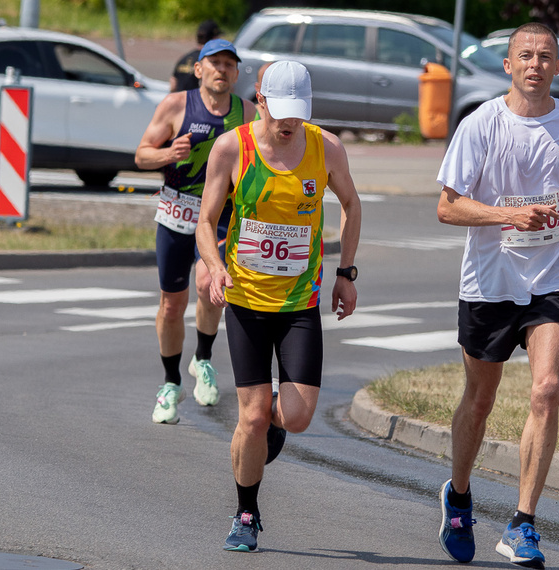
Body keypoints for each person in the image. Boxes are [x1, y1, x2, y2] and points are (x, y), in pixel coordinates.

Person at [435, 22, 559, 569]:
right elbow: (448, 206)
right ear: (508, 65)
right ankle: (458, 496)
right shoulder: (481, 123)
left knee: (548, 390)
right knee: (480, 401)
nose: (536, 63)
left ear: (557, 66)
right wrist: (510, 215)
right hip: (489, 283)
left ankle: (523, 523)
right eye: (525, 55)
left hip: (550, 280)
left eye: (546, 56)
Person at [195, 60, 361, 552]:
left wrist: (346, 273)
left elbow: (352, 205)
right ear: (260, 100)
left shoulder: (325, 147)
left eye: (298, 113)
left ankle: (261, 425)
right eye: (280, 111)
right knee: (251, 416)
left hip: (298, 303)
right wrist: (215, 265)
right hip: (245, 299)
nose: (289, 123)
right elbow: (206, 222)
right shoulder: (232, 148)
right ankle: (246, 512)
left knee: (297, 415)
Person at [135, 39, 257, 424]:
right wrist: (168, 153)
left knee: (209, 285)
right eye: (214, 63)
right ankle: (171, 383)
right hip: (176, 212)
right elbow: (141, 155)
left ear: (236, 74)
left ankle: (202, 357)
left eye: (229, 64)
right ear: (199, 69)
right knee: (172, 304)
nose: (222, 69)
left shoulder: (249, 113)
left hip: (221, 217)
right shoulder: (175, 105)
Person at [170, 20, 223, 92]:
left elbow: (173, 85)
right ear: (214, 39)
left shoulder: (184, 58)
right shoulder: (209, 61)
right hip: (198, 102)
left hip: (180, 101)